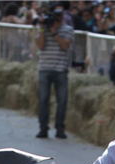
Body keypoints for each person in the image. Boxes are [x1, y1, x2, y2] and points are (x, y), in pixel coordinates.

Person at [34, 9, 74, 139]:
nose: (57, 19)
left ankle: (60, 128)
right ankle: (43, 128)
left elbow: (65, 46)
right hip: (44, 68)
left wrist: (54, 32)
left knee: (62, 101)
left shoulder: (67, 29)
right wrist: (42, 28)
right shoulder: (42, 29)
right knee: (43, 100)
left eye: (59, 16)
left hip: (60, 69)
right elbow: (40, 45)